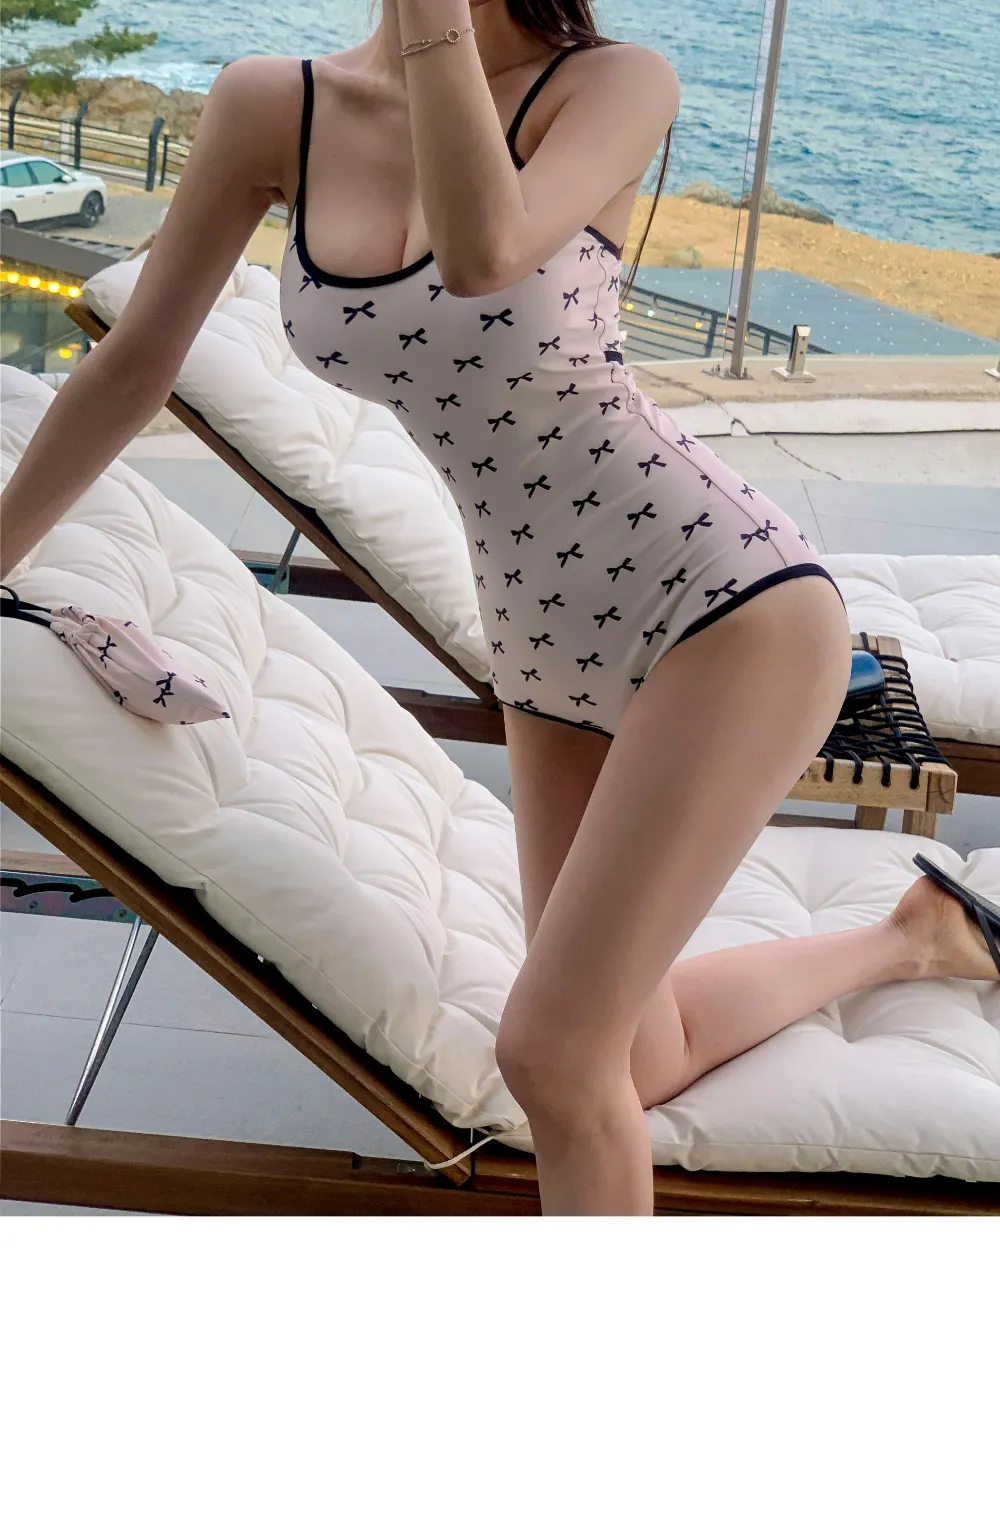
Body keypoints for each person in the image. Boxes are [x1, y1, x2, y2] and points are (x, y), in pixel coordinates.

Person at [1, 0, 995, 1216]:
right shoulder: (274, 103)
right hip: (538, 644)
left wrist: (431, 23)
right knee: (626, 1055)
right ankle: (913, 938)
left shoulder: (612, 86)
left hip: (721, 605)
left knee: (553, 1055)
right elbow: (134, 360)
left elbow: (482, 255)